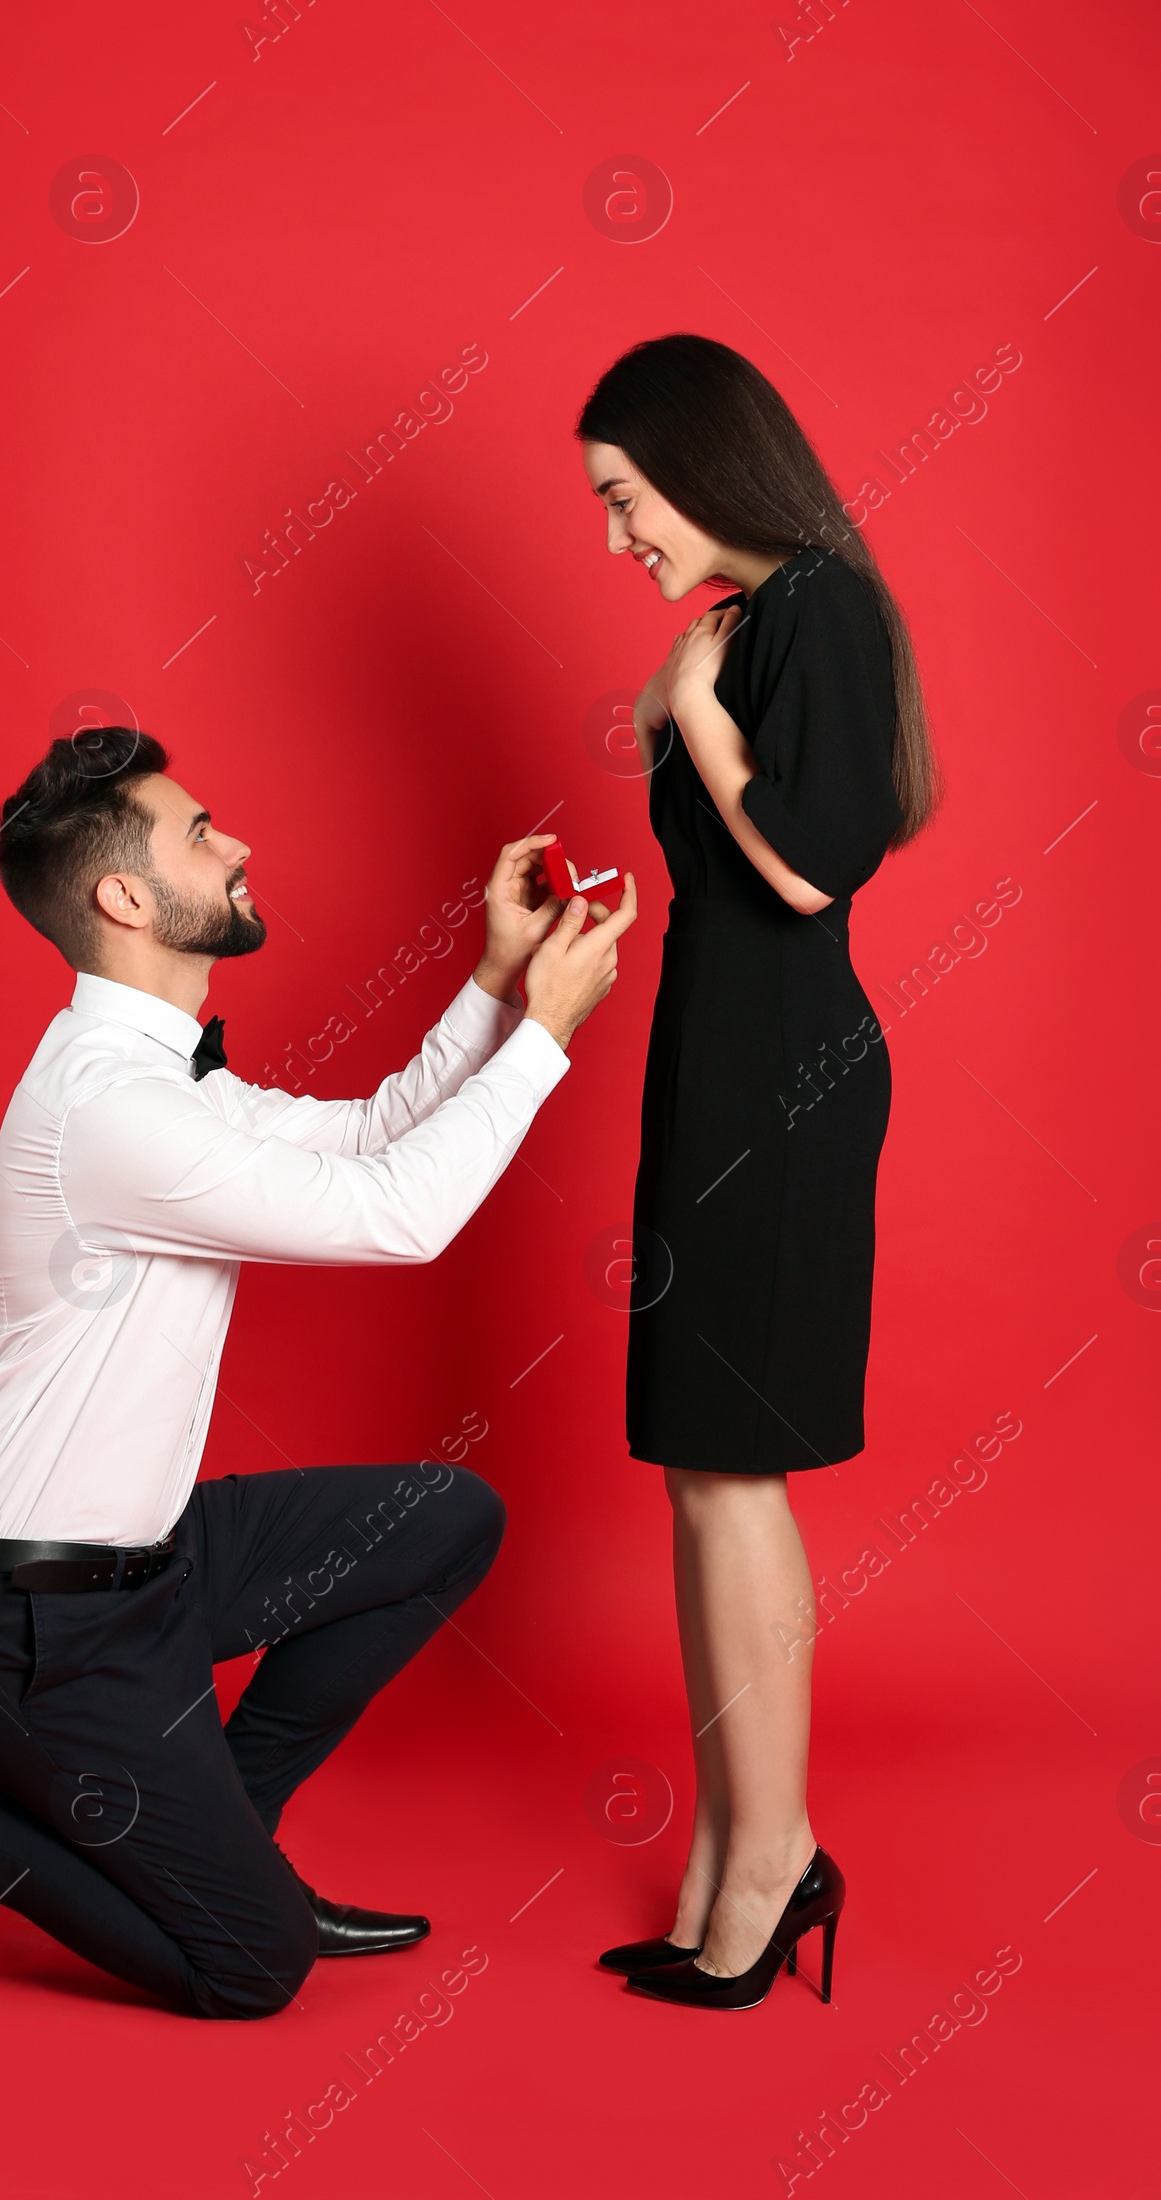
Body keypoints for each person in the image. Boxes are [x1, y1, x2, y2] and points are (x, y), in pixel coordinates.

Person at [0, 725, 635, 2018]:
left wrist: (497, 986)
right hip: (24, 1619)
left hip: (146, 1566)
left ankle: (219, 1838)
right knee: (249, 1968)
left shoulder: (170, 1084)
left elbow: (379, 1136)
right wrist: (548, 1040)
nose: (240, 846)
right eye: (202, 833)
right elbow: (400, 1217)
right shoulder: (112, 1106)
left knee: (446, 1520)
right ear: (123, 897)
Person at [577, 334, 939, 2010]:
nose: (617, 539)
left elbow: (809, 868)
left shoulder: (823, 614)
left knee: (732, 1473)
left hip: (779, 1088)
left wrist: (696, 716)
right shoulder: (744, 622)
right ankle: (738, 1849)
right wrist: (673, 703)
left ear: (706, 468)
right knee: (699, 1471)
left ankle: (774, 1857)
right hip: (709, 1073)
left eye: (625, 498)